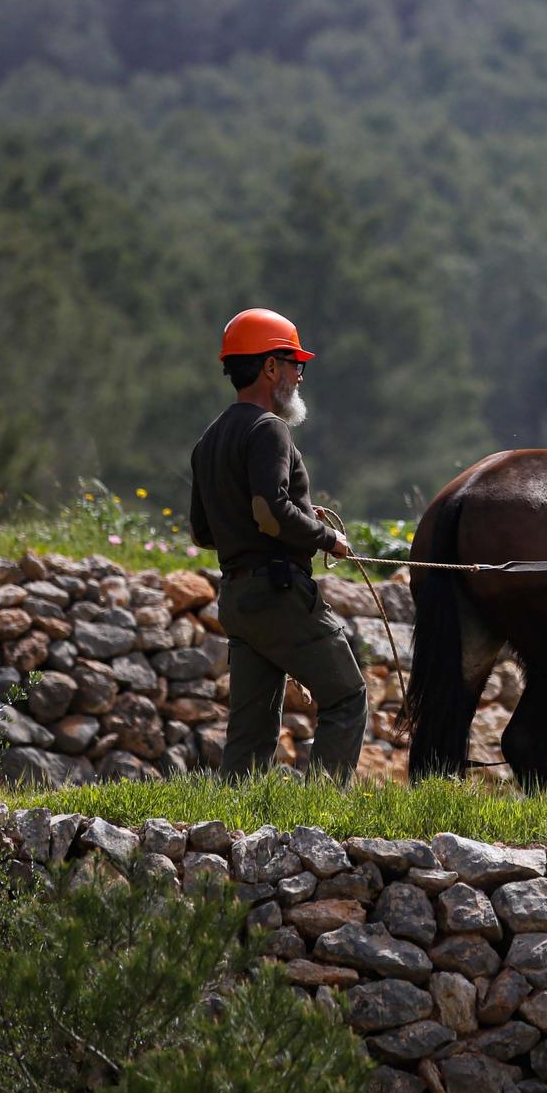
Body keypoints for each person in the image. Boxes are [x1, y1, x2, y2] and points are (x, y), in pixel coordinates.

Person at [188, 308, 367, 780]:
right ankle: (322, 819)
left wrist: (291, 521)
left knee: (249, 737)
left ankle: (229, 833)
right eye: (294, 364)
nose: (299, 376)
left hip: (238, 598)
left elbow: (201, 533)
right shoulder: (268, 428)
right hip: (279, 593)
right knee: (346, 697)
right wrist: (326, 537)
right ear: (270, 367)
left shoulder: (209, 440)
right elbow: (270, 512)